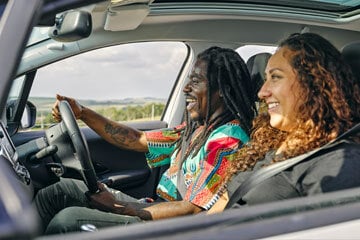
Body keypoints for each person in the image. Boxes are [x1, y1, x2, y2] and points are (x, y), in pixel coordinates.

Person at [35, 46, 257, 234]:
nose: (185, 88)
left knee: (68, 221)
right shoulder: (196, 130)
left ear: (222, 91)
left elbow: (194, 209)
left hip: (173, 227)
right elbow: (136, 138)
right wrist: (83, 113)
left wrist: (119, 207)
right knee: (61, 190)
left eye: (196, 81)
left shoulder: (228, 141)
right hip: (155, 208)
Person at [223, 32, 360, 207]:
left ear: (314, 83)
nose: (262, 92)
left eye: (276, 77)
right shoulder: (278, 140)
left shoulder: (341, 162)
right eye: (266, 78)